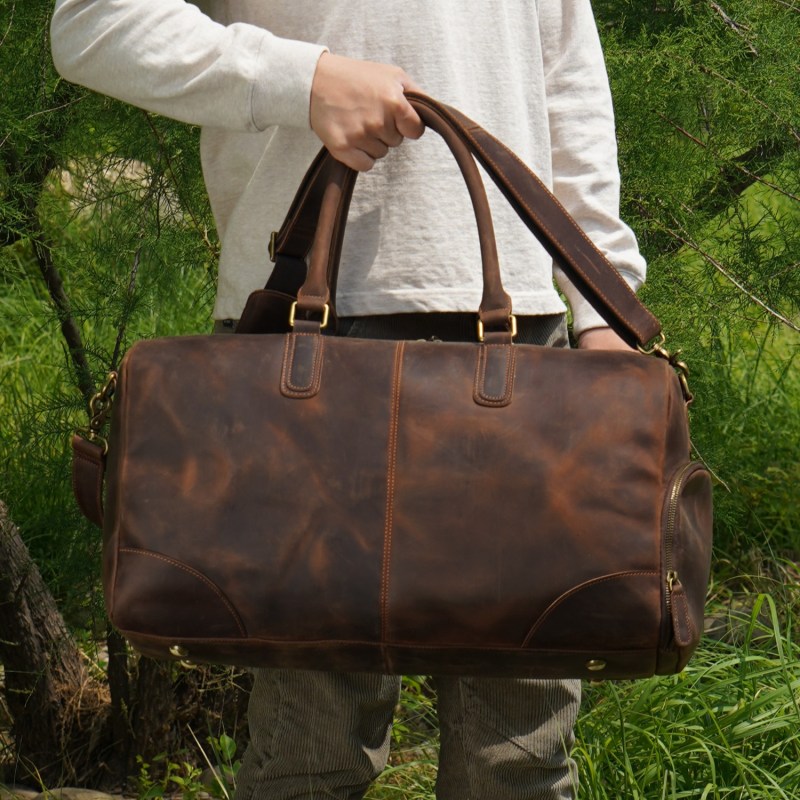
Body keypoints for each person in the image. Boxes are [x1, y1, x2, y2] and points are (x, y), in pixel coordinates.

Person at [50, 2, 647, 797]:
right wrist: (303, 80)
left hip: (523, 348)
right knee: (310, 758)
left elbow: (564, 70)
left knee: (521, 766)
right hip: (305, 349)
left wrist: (603, 300)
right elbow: (94, 23)